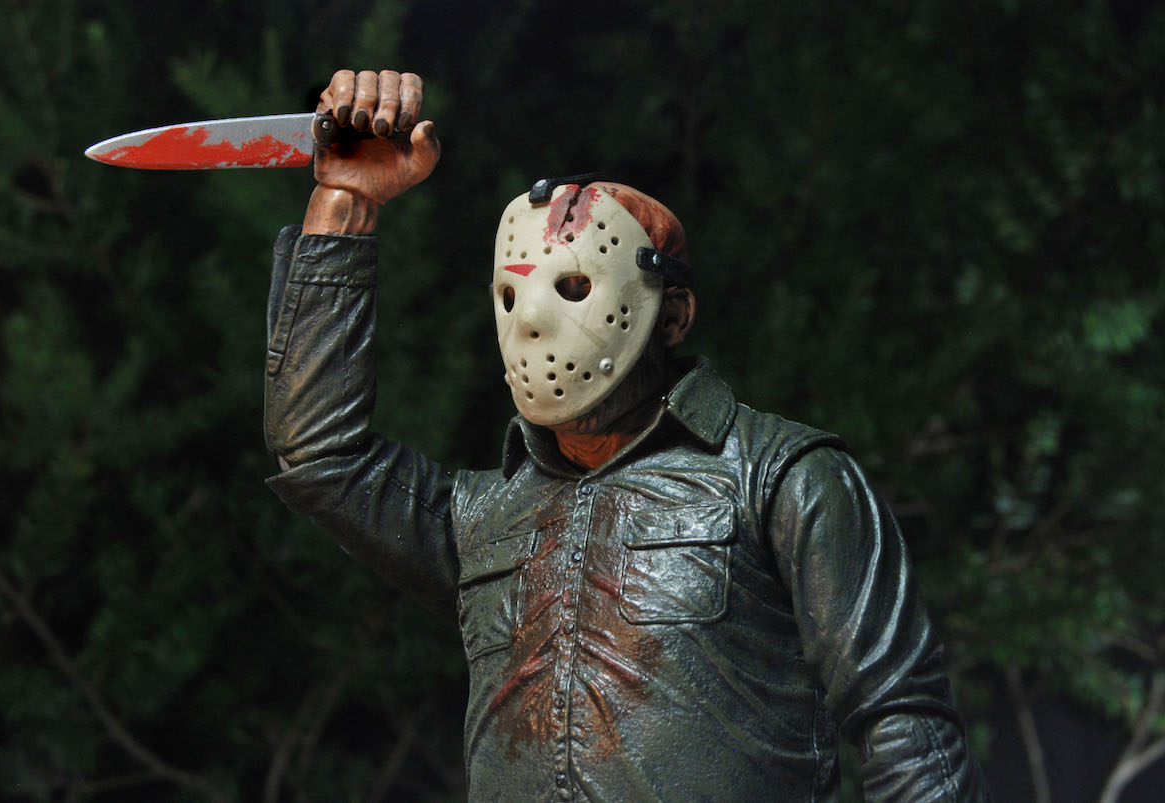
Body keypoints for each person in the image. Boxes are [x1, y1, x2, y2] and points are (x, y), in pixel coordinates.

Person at [264, 69, 992, 801]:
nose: (534, 321)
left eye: (575, 288)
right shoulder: (489, 518)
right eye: (512, 294)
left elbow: (903, 721)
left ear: (672, 315)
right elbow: (321, 454)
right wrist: (345, 203)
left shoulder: (777, 478)